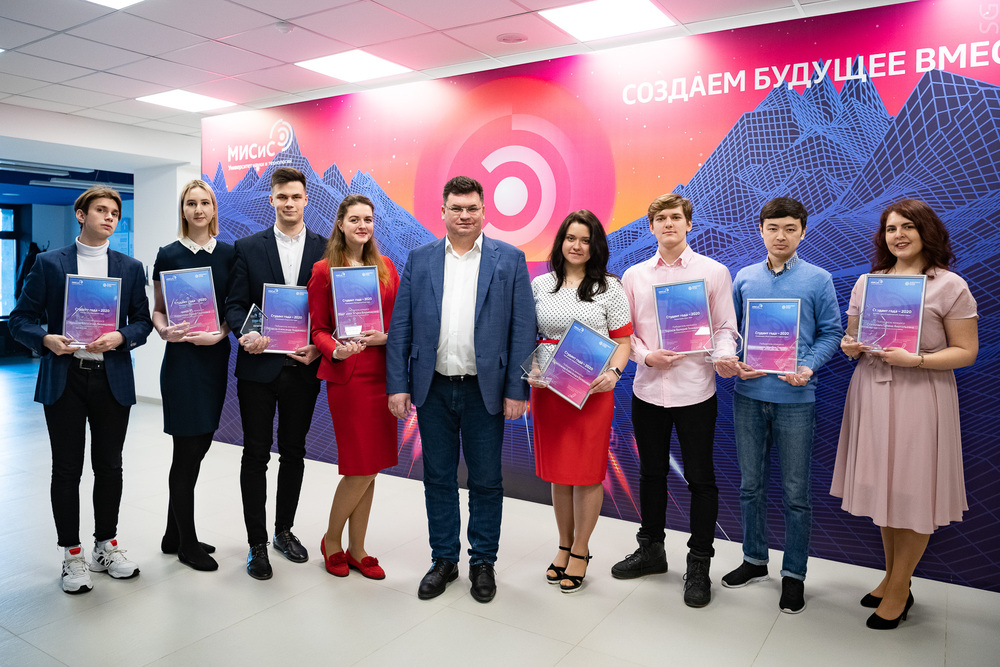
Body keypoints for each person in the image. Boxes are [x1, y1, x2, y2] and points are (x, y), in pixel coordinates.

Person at [386, 176, 536, 603]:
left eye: (472, 208)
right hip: (432, 387)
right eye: (457, 208)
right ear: (443, 212)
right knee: (438, 478)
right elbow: (401, 326)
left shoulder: (510, 259)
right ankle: (444, 560)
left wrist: (517, 389)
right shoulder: (420, 258)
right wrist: (398, 384)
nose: (465, 215)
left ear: (484, 211)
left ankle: (483, 561)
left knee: (486, 480)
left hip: (484, 391)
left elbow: (522, 328)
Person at [831, 200, 978, 630]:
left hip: (921, 393)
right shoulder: (868, 282)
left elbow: (966, 351)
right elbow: (852, 338)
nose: (898, 235)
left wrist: (917, 360)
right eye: (891, 228)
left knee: (913, 491)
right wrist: (850, 346)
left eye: (908, 226)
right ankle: (893, 576)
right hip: (872, 391)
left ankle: (899, 589)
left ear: (926, 231)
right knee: (886, 489)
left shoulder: (950, 285)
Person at [9, 186, 152, 594]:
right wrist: (46, 339)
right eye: (101, 210)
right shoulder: (49, 264)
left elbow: (142, 321)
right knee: (67, 468)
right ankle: (72, 554)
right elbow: (20, 319)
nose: (109, 218)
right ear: (81, 214)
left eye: (114, 213)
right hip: (65, 377)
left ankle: (106, 545)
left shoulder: (129, 267)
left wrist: (121, 337)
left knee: (110, 466)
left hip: (111, 378)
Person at [716, 197, 842, 613]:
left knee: (795, 493)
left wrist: (808, 365)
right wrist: (733, 360)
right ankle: (754, 560)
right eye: (773, 228)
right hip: (749, 397)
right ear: (761, 230)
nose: (781, 236)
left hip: (796, 399)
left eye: (790, 228)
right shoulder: (745, 278)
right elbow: (731, 332)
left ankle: (794, 574)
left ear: (802, 231)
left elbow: (832, 332)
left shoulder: (818, 279)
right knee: (750, 486)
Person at [611, 194, 737, 607]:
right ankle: (651, 550)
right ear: (651, 227)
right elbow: (625, 334)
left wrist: (723, 356)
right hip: (648, 390)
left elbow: (725, 327)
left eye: (676, 217)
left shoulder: (713, 272)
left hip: (696, 390)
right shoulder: (634, 275)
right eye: (661, 218)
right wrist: (647, 356)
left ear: (688, 224)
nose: (669, 223)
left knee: (700, 479)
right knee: (651, 474)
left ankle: (699, 563)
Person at [224, 167, 324, 580]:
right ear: (271, 200)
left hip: (303, 367)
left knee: (294, 453)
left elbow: (331, 311)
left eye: (296, 196)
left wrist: (319, 345)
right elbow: (235, 304)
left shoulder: (325, 248)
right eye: (282, 196)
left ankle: (284, 531)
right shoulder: (247, 247)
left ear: (306, 200)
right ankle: (257, 543)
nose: (289, 203)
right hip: (258, 367)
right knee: (255, 454)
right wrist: (245, 333)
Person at [528, 210, 632, 593]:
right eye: (571, 238)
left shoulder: (610, 287)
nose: (577, 246)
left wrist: (614, 373)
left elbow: (623, 342)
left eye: (585, 240)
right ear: (561, 242)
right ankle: (563, 544)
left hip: (592, 393)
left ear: (595, 246)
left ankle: (581, 550)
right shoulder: (541, 284)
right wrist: (532, 368)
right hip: (549, 391)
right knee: (560, 472)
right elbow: (528, 334)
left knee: (586, 473)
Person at [308, 194, 400, 580]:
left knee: (372, 466)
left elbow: (399, 322)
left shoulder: (386, 267)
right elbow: (318, 329)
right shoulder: (323, 270)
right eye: (355, 219)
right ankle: (332, 540)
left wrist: (386, 337)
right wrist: (335, 350)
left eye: (368, 219)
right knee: (359, 466)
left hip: (382, 375)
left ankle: (357, 548)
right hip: (348, 376)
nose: (363, 225)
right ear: (341, 224)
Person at [151, 179, 236, 572]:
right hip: (182, 363)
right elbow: (158, 309)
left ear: (214, 209)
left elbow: (234, 309)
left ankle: (173, 534)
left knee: (199, 446)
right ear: (183, 210)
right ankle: (186, 544)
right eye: (191, 203)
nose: (198, 209)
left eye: (205, 202)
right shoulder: (167, 254)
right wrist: (163, 330)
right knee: (186, 452)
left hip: (214, 360)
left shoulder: (230, 254)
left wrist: (221, 333)